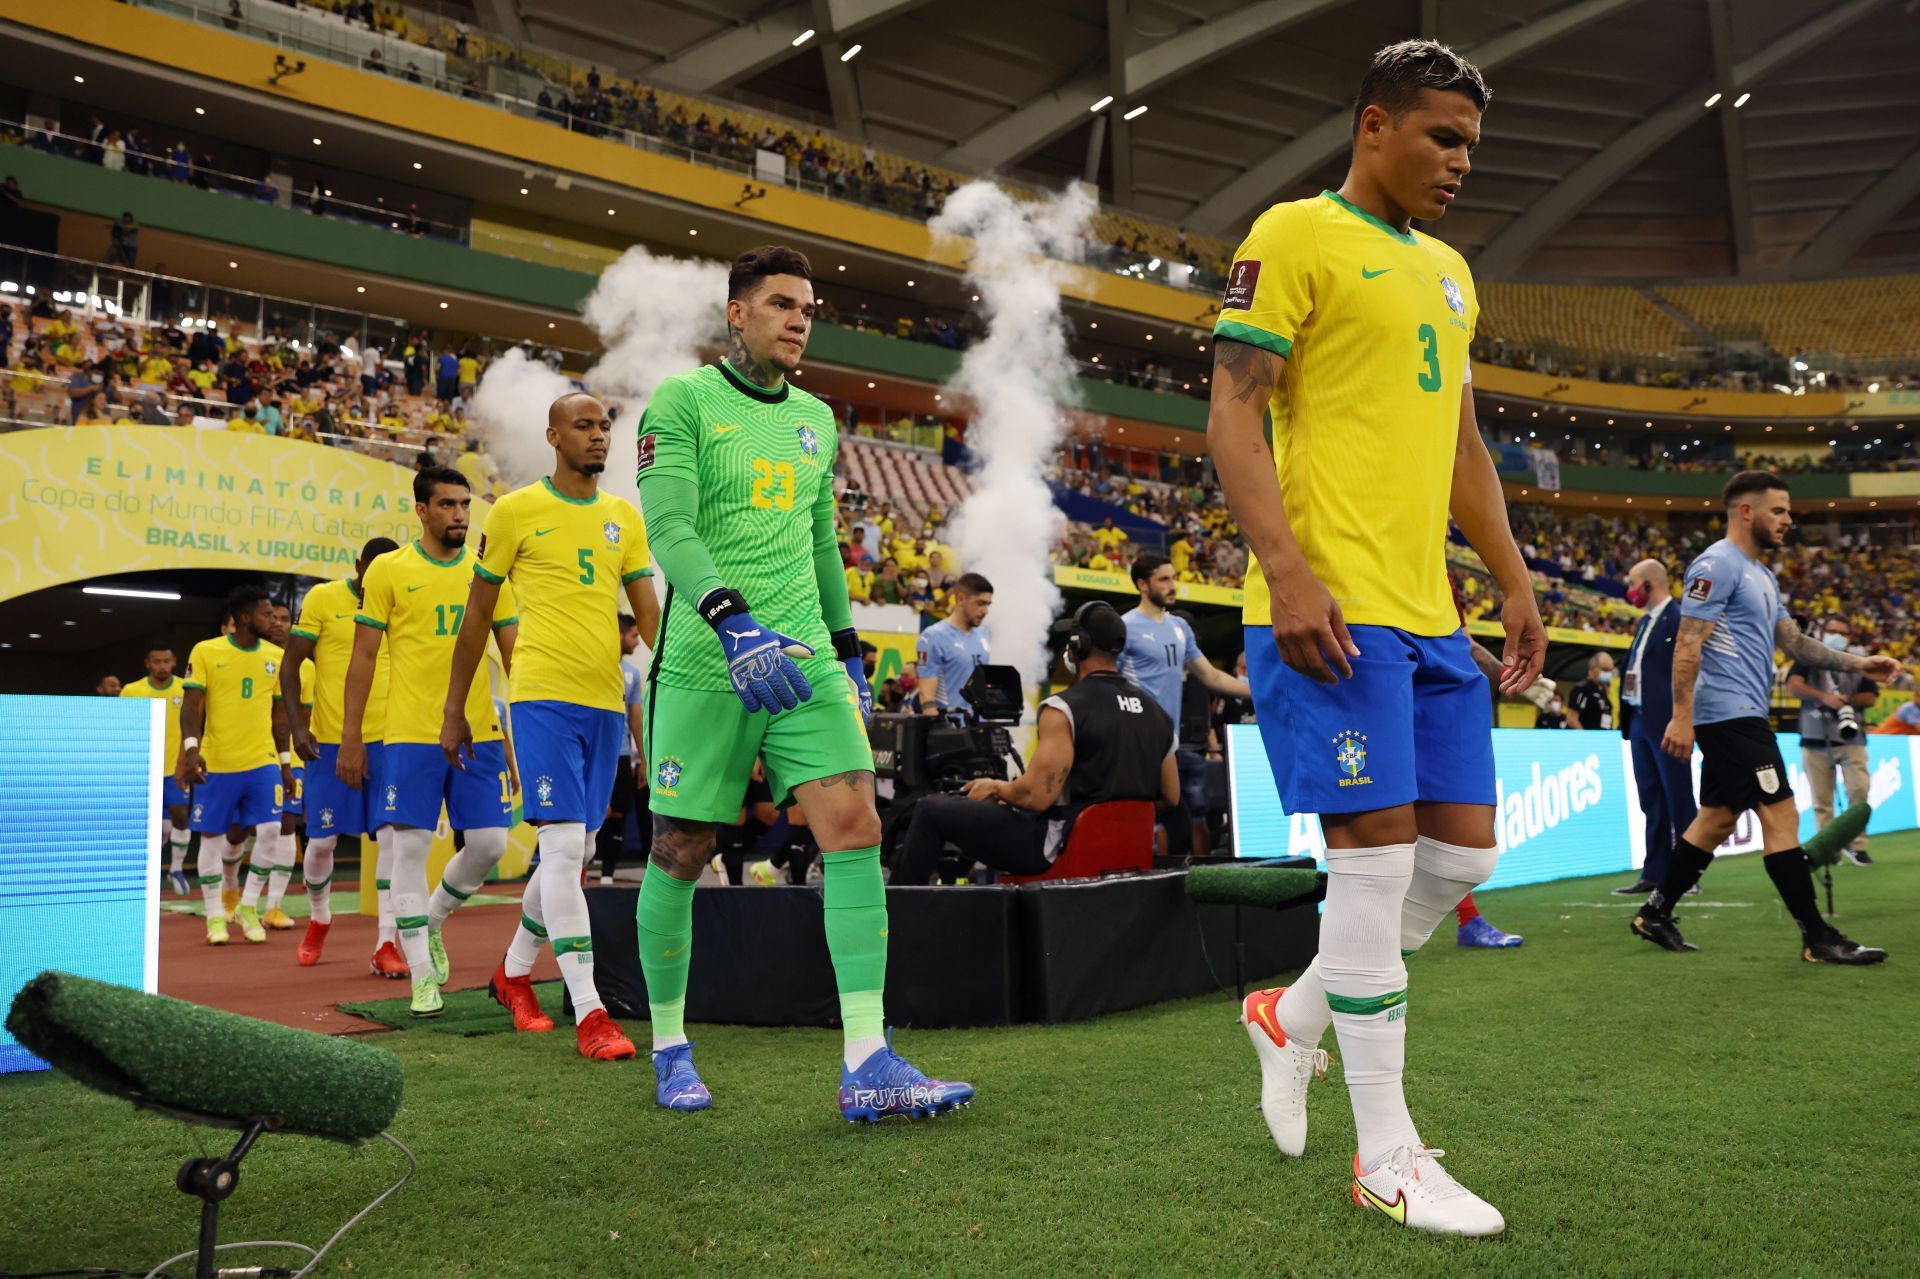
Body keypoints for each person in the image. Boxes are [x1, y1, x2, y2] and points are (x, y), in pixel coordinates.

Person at [1208, 41, 1534, 1235]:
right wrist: (1286, 572)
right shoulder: (1294, 233)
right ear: (1374, 125)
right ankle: (1386, 1152)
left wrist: (1512, 577)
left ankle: (1288, 1019)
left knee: (1462, 864)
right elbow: (1232, 407)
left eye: (1471, 146)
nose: (1460, 162)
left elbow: (1461, 444)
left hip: (1434, 616)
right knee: (1377, 863)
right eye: (1442, 137)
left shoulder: (1450, 270)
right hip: (1330, 610)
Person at [633, 244, 972, 1119]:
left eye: (808, 308)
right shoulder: (684, 402)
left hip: (804, 662)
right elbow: (667, 526)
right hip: (710, 659)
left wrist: (850, 652)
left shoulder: (817, 419)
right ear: (736, 313)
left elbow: (822, 545)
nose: (798, 320)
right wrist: (730, 617)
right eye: (781, 303)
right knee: (682, 850)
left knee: (855, 824)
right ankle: (670, 1046)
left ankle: (868, 1059)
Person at [440, 391, 659, 1061]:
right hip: (540, 698)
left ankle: (512, 972)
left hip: (602, 706)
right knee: (566, 850)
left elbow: (651, 619)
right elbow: (476, 618)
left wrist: (675, 693)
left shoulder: (624, 516)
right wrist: (455, 709)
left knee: (578, 850)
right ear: (554, 436)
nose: (599, 437)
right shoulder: (513, 511)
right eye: (584, 426)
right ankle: (592, 1012)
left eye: (604, 426)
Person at [1634, 471, 1893, 964]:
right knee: (1782, 816)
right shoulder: (1716, 564)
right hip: (1728, 715)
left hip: (1743, 713)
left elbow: (1794, 643)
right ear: (1745, 511)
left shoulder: (1763, 575)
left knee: (1715, 821)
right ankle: (1817, 937)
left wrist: (1860, 663)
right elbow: (1689, 641)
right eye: (1779, 511)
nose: (1788, 520)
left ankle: (1656, 912)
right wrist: (1682, 716)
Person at [341, 467, 520, 1018]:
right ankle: (421, 975)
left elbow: (513, 652)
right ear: (421, 510)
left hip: (478, 733)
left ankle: (436, 918)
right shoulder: (389, 571)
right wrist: (351, 736)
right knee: (410, 849)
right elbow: (364, 657)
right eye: (447, 505)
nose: (460, 515)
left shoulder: (488, 572)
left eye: (465, 505)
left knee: (489, 844)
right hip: (409, 735)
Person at [893, 601, 1178, 885]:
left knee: (930, 810)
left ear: (1078, 645)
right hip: (1126, 852)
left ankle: (898, 918)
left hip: (1056, 846)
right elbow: (1171, 796)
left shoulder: (1064, 708)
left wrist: (995, 786)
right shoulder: (1159, 714)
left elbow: (1036, 797)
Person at [283, 537, 399, 971]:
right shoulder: (323, 598)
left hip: (389, 742)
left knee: (390, 839)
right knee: (321, 844)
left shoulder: (399, 599)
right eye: (372, 572)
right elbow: (292, 664)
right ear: (357, 565)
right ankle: (319, 917)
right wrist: (298, 725)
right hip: (330, 742)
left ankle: (385, 944)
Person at [177, 585, 293, 947]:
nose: (273, 621)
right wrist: (191, 751)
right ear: (244, 618)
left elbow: (279, 717)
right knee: (211, 839)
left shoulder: (275, 655)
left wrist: (286, 764)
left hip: (262, 762)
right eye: (266, 615)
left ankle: (248, 907)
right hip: (219, 762)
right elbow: (191, 708)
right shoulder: (207, 651)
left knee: (272, 830)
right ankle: (214, 915)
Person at [1119, 553, 1250, 857]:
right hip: (1138, 745)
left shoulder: (1180, 626)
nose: (1172, 585)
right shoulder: (1125, 626)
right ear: (1142, 584)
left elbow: (1212, 676)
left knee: (1178, 830)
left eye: (1173, 578)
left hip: (1170, 746)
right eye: (1164, 579)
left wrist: (1257, 692)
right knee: (1145, 826)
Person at [1614, 558, 1696, 895]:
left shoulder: (1677, 620)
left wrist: (1683, 718)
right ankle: (1655, 872)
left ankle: (1688, 874)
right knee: (1652, 798)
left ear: (1649, 583)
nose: (1629, 590)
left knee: (1678, 796)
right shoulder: (1645, 622)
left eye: (1633, 582)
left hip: (1666, 722)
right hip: (1638, 719)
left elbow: (1688, 671)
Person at [1786, 616, 1877, 867]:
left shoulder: (1858, 662)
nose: (1837, 636)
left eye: (1842, 632)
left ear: (1849, 637)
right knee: (1821, 801)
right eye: (1832, 631)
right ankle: (1828, 849)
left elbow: (1872, 695)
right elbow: (1793, 685)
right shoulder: (1809, 657)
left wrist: (1848, 701)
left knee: (1859, 791)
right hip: (1814, 737)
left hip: (1852, 737)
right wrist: (1824, 697)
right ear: (1823, 632)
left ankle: (1858, 846)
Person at [259, 602, 313, 931]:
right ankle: (232, 898)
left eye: (285, 619)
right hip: (248, 756)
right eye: (273, 618)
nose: (279, 624)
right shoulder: (251, 658)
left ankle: (273, 906)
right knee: (240, 831)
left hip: (290, 757)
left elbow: (305, 719)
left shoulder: (306, 667)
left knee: (286, 824)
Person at [121, 640, 190, 895]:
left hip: (175, 768)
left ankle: (177, 868)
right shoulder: (131, 691)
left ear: (173, 662)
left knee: (181, 816)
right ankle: (147, 872)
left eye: (166, 661)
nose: (162, 666)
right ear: (147, 664)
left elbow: (192, 726)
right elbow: (123, 730)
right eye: (156, 661)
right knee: (152, 825)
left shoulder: (185, 688)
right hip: (144, 768)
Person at [597, 613, 649, 885]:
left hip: (622, 758)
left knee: (619, 812)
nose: (638, 642)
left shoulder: (631, 674)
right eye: (634, 635)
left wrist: (643, 760)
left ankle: (607, 876)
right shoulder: (594, 667)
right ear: (618, 634)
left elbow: (636, 719)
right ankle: (580, 870)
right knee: (595, 815)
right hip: (595, 756)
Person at [914, 573, 993, 717]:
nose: (985, 611)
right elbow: (927, 696)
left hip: (980, 727)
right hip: (951, 727)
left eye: (988, 604)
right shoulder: (933, 636)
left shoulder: (984, 635)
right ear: (961, 599)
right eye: (980, 603)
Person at [1567, 653, 1615, 730]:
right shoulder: (1582, 689)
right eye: (1605, 669)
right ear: (1593, 668)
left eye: (1611, 670)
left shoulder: (1602, 690)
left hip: (1604, 738)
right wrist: (1586, 739)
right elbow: (1571, 719)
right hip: (1590, 739)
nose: (1608, 673)